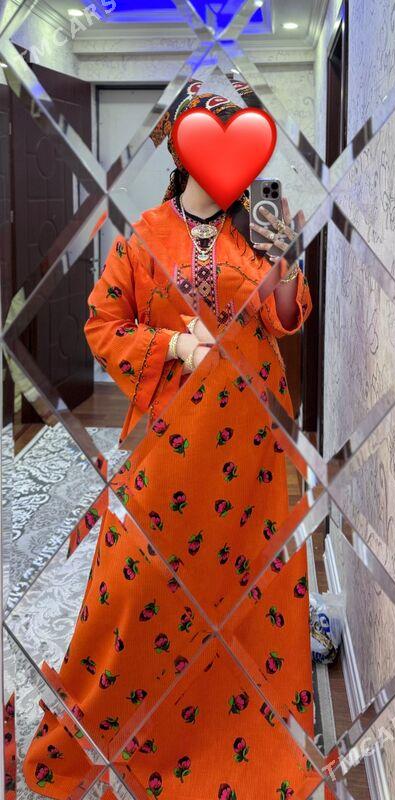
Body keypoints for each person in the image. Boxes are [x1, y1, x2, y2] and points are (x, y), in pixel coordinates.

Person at [23, 78, 319, 800]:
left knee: (244, 587)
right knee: (139, 580)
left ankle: (234, 729)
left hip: (250, 448)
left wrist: (287, 265)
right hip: (169, 440)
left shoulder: (254, 231)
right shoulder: (144, 236)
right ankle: (127, 719)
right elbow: (103, 323)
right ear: (186, 154)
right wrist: (173, 347)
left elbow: (284, 318)